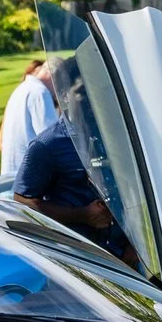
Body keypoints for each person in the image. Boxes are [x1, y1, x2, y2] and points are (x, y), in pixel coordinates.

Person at [13, 95, 140, 267]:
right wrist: (81, 214)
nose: (91, 98)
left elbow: (137, 188)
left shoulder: (116, 135)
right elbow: (22, 202)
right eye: (82, 92)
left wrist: (137, 247)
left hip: (125, 257)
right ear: (64, 96)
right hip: (76, 261)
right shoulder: (47, 145)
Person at [0, 57, 57, 185]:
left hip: (12, 180)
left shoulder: (22, 89)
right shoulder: (40, 92)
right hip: (28, 184)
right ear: (53, 76)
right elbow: (53, 141)